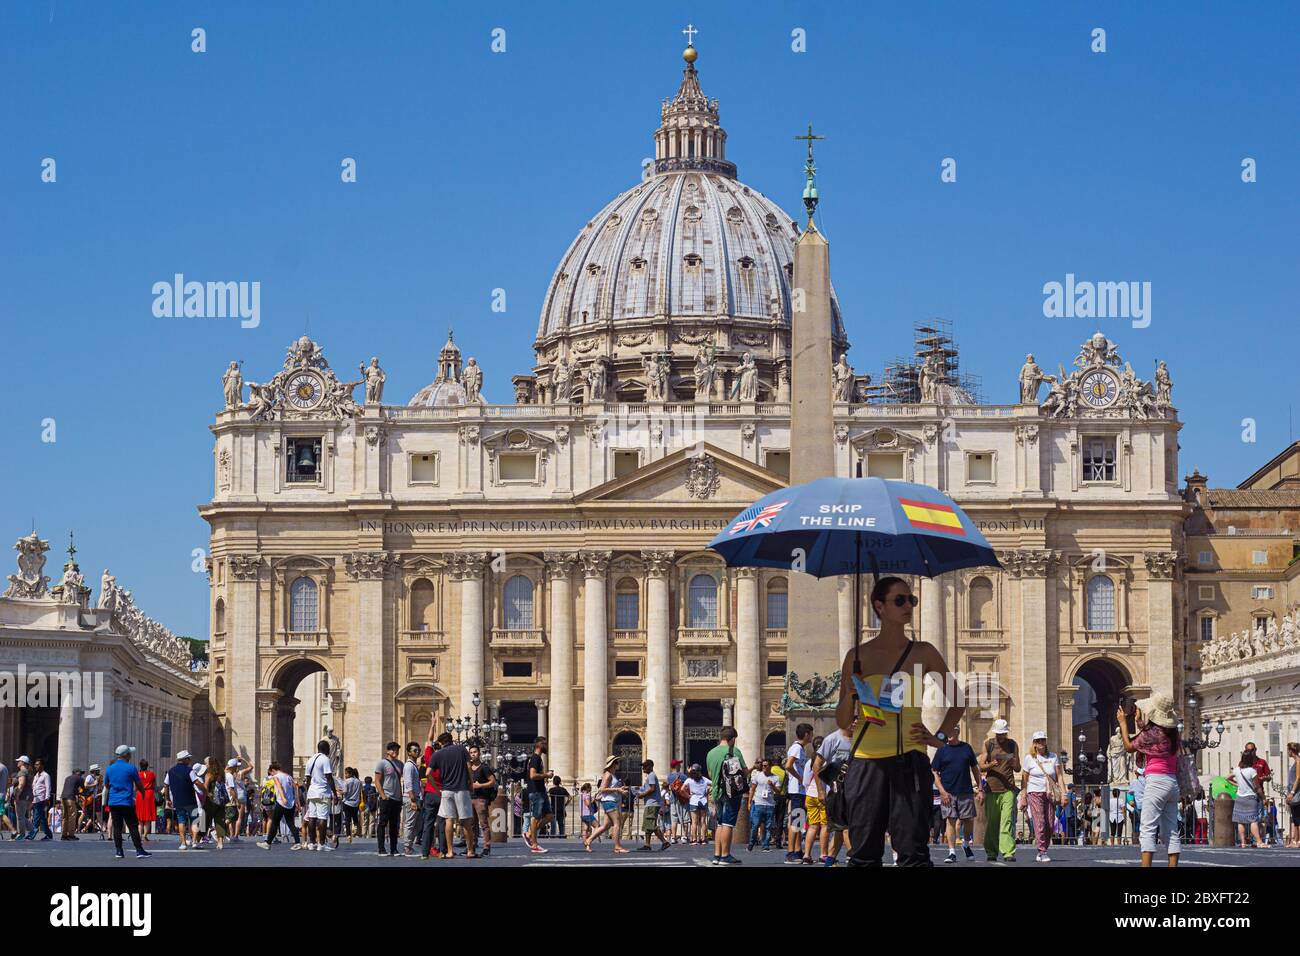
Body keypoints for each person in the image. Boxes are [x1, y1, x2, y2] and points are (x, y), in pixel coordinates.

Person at [835, 577, 963, 867]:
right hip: (866, 761)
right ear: (879, 606)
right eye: (900, 600)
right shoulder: (856, 656)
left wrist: (939, 739)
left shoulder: (923, 651)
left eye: (911, 600)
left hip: (909, 759)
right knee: (864, 852)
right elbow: (843, 721)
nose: (909, 606)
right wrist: (849, 697)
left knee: (913, 851)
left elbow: (957, 700)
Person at [1116, 694, 1182, 866]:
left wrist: (1123, 723)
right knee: (1171, 829)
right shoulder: (1174, 732)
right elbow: (1153, 739)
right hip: (1172, 782)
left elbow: (1130, 747)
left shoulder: (1151, 733)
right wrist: (1140, 724)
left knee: (1147, 828)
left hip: (1156, 782)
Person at [930, 725, 982, 863]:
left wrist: (980, 788)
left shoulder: (966, 748)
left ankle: (965, 843)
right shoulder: (941, 750)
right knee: (950, 821)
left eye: (953, 731)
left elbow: (975, 769)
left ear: (958, 732)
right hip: (948, 792)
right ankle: (952, 852)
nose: (950, 734)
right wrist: (941, 791)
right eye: (948, 732)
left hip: (965, 791)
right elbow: (934, 771)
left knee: (969, 820)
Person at [427, 729, 476, 859]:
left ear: (441, 742)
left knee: (449, 819)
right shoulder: (461, 749)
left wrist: (437, 789)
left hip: (446, 790)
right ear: (451, 740)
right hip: (462, 789)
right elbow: (469, 767)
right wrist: (471, 782)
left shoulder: (437, 754)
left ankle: (449, 851)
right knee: (465, 821)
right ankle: (470, 851)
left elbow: (427, 774)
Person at [977, 719, 1021, 862]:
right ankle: (991, 852)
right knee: (992, 823)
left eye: (1003, 734)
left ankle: (1008, 852)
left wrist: (1013, 762)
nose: (1001, 737)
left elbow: (1018, 768)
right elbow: (980, 767)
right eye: (999, 734)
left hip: (1008, 789)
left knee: (1007, 820)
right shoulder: (988, 744)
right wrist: (991, 764)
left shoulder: (1012, 744)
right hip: (991, 788)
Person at [1018, 730, 1064, 863]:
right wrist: (1023, 796)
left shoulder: (1053, 757)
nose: (1041, 743)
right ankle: (1042, 851)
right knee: (1040, 822)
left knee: (1050, 823)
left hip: (1050, 794)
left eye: (1043, 740)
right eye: (1038, 741)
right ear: (1034, 743)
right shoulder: (1029, 758)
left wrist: (1064, 794)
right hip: (1034, 793)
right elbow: (1024, 779)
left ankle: (1044, 848)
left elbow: (1059, 776)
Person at [705, 725, 748, 865]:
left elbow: (711, 774)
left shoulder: (711, 753)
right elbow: (744, 772)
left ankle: (717, 855)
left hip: (716, 792)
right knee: (728, 824)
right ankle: (725, 855)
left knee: (719, 824)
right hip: (732, 792)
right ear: (733, 739)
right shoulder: (734, 751)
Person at [102, 745, 151, 860]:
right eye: (129, 753)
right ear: (126, 755)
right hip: (126, 801)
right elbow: (138, 783)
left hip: (113, 802)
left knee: (117, 827)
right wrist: (143, 793)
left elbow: (106, 785)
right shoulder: (131, 768)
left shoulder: (110, 768)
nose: (130, 755)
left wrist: (114, 789)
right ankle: (139, 850)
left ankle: (119, 851)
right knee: (133, 826)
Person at [814, 727, 855, 865]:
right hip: (838, 789)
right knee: (845, 827)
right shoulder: (832, 739)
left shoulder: (861, 737)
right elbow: (817, 765)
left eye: (857, 717)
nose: (855, 721)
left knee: (839, 830)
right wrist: (820, 791)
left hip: (855, 788)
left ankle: (829, 861)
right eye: (852, 718)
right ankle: (855, 858)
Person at [584, 754, 629, 853]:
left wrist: (620, 789)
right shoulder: (608, 774)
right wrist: (618, 789)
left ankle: (589, 840)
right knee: (617, 823)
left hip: (610, 801)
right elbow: (602, 789)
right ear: (613, 764)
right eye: (617, 762)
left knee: (606, 826)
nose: (618, 764)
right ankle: (617, 846)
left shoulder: (611, 775)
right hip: (610, 801)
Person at [782, 723, 812, 862]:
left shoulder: (799, 748)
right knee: (796, 820)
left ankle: (798, 850)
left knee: (798, 820)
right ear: (806, 734)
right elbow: (788, 765)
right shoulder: (797, 748)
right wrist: (800, 778)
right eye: (810, 733)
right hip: (797, 790)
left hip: (798, 790)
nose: (811, 736)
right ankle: (790, 852)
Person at [300, 740, 337, 851]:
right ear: (326, 749)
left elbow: (307, 779)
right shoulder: (325, 759)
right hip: (322, 792)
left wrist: (308, 792)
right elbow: (329, 777)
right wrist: (334, 793)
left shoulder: (310, 760)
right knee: (322, 818)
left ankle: (312, 843)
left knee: (312, 817)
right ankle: (321, 844)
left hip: (312, 792)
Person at [257, 761, 302, 849]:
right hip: (291, 803)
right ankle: (298, 843)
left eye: (271, 772)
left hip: (281, 802)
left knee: (274, 823)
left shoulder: (276, 777)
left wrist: (283, 797)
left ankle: (268, 843)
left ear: (273, 770)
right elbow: (296, 787)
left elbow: (279, 786)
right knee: (290, 823)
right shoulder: (288, 776)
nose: (271, 774)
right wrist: (297, 802)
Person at [372, 741, 405, 857]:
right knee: (382, 823)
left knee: (394, 824)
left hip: (397, 799)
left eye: (396, 749)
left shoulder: (400, 764)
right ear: (387, 751)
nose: (395, 751)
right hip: (386, 798)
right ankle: (381, 849)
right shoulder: (382, 763)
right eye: (392, 749)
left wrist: (401, 796)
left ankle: (394, 849)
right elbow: (376, 780)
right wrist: (383, 796)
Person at [1228, 749, 1265, 848]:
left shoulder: (1237, 770)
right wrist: (1263, 797)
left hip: (1239, 797)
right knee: (1253, 820)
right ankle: (1259, 841)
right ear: (1251, 759)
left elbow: (1228, 778)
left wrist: (1237, 785)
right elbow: (1257, 787)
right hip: (1250, 798)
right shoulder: (1252, 771)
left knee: (1241, 821)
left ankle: (1243, 843)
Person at [524, 737, 553, 853]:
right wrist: (546, 775)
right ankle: (534, 845)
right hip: (536, 792)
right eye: (545, 744)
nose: (547, 746)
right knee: (535, 817)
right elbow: (532, 775)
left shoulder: (538, 758)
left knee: (549, 816)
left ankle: (530, 833)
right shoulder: (535, 758)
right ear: (539, 745)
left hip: (541, 791)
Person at [468, 745, 496, 855]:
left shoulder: (484, 767)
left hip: (481, 799)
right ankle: (472, 846)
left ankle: (486, 847)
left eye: (475, 752)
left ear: (479, 753)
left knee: (483, 824)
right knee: (471, 825)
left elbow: (492, 781)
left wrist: (480, 786)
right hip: (470, 798)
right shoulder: (468, 767)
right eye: (471, 752)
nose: (473, 754)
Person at [636, 759, 670, 851]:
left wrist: (642, 795)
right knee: (648, 824)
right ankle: (647, 844)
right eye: (643, 766)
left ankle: (664, 842)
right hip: (650, 803)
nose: (643, 768)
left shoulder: (651, 775)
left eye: (645, 766)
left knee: (651, 824)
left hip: (652, 804)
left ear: (650, 767)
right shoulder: (649, 776)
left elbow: (652, 789)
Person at [747, 759, 778, 852]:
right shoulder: (757, 776)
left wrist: (772, 785)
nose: (763, 767)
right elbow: (752, 789)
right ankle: (751, 843)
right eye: (763, 765)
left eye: (765, 765)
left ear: (770, 766)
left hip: (770, 805)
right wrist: (749, 802)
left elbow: (778, 791)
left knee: (768, 826)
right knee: (755, 825)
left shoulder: (775, 778)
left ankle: (766, 845)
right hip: (758, 803)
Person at [24, 758, 53, 841]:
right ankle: (49, 834)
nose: (35, 766)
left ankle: (31, 834)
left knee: (36, 817)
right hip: (35, 799)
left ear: (42, 766)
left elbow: (48, 787)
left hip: (41, 799)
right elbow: (34, 787)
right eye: (35, 764)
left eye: (37, 764)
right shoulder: (36, 775)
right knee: (42, 818)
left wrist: (47, 798)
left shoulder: (46, 775)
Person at [401, 742, 421, 855]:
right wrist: (413, 800)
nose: (417, 752)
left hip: (415, 797)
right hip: (410, 798)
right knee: (410, 823)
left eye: (418, 750)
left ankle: (409, 845)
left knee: (417, 824)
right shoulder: (409, 766)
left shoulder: (413, 765)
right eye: (415, 750)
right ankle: (407, 847)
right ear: (409, 752)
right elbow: (408, 783)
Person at [684, 763, 711, 845]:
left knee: (694, 822)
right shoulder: (704, 779)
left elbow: (682, 789)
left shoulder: (689, 780)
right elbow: (714, 784)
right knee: (703, 821)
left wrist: (688, 796)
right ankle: (703, 839)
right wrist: (708, 792)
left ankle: (694, 839)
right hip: (703, 801)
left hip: (693, 801)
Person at [665, 758, 689, 844]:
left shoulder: (669, 776)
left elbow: (667, 788)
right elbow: (687, 787)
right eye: (679, 764)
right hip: (682, 800)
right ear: (676, 766)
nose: (680, 765)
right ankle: (684, 836)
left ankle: (673, 837)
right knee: (685, 819)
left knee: (674, 819)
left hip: (673, 800)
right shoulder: (683, 776)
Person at [60, 766, 84, 841]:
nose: (81, 775)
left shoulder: (67, 778)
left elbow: (71, 788)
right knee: (72, 816)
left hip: (63, 797)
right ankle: (71, 835)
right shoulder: (79, 778)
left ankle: (64, 835)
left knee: (65, 816)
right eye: (80, 773)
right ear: (77, 773)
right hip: (70, 798)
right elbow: (84, 788)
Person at [1284, 742, 1300, 848]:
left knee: (1298, 817)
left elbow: (1298, 778)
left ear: (1291, 751)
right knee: (1295, 817)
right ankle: (1295, 840)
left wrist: (1292, 793)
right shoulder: (1296, 761)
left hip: (1296, 793)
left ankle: (1298, 841)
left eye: (1288, 750)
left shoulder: (1298, 762)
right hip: (1294, 792)